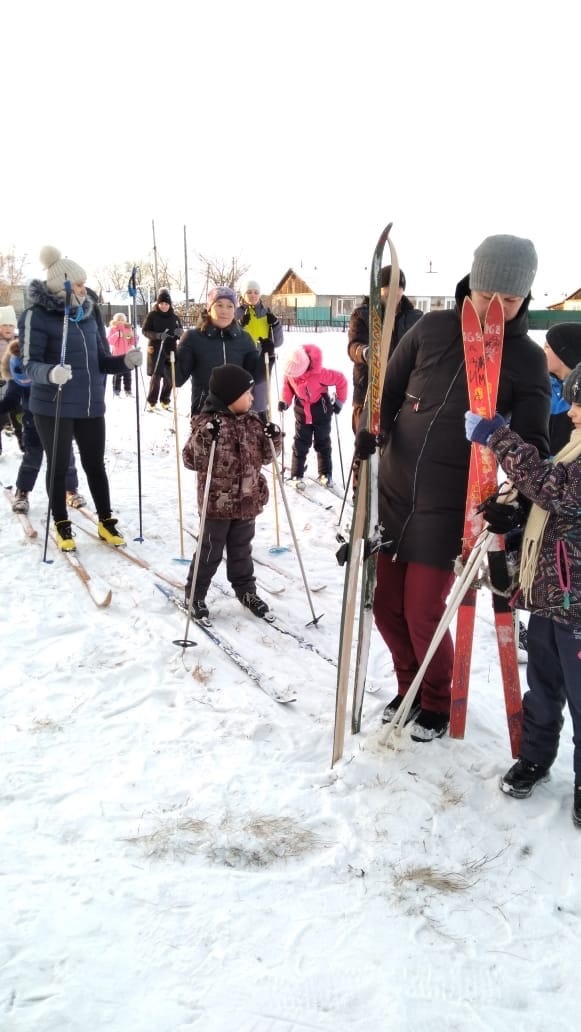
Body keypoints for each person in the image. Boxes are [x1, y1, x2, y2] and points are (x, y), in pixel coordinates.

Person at [355, 234, 551, 741]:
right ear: (471, 286)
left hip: (452, 506)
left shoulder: (526, 358)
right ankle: (410, 686)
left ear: (525, 299)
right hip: (396, 491)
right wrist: (368, 430)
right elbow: (389, 394)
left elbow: (532, 441)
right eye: (488, 297)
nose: (497, 309)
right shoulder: (431, 329)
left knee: (423, 613)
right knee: (386, 609)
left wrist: (514, 499)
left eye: (511, 301)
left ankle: (437, 700)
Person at [464, 364, 581, 827]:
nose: (571, 411)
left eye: (579, 402)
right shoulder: (575, 448)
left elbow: (558, 491)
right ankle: (536, 756)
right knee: (543, 688)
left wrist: (501, 438)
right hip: (555, 594)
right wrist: (517, 521)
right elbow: (556, 507)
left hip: (578, 604)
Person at [20, 245, 143, 550]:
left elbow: (101, 360)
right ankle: (61, 522)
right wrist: (50, 373)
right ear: (59, 284)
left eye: (83, 283)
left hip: (90, 405)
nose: (82, 288)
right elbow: (28, 363)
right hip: (54, 405)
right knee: (59, 465)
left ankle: (105, 520)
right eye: (76, 284)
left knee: (95, 465)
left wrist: (124, 361)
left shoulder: (89, 315)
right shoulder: (37, 315)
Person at [181, 363, 281, 619]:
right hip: (218, 504)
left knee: (242, 551)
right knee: (210, 551)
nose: (252, 397)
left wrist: (274, 437)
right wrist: (204, 437)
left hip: (248, 500)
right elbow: (191, 460)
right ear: (229, 396)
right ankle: (195, 594)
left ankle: (246, 590)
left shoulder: (254, 421)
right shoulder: (208, 423)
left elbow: (268, 457)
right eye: (246, 393)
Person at [0, 336, 86, 513]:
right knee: (32, 458)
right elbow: (10, 400)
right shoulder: (16, 382)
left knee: (66, 457)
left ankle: (71, 490)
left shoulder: (49, 373)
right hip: (33, 425)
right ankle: (22, 492)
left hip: (59, 421)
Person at [347, 266, 423, 435]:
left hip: (401, 394)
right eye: (388, 291)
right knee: (366, 446)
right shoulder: (362, 315)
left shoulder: (415, 317)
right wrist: (366, 352)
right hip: (368, 389)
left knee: (395, 449)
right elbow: (353, 347)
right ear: (378, 289)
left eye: (398, 290)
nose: (394, 295)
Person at [172, 286, 258, 416]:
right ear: (209, 308)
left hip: (238, 411)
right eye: (219, 305)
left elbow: (256, 376)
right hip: (205, 410)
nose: (225, 311)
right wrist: (167, 356)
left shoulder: (244, 339)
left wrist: (267, 357)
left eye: (230, 306)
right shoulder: (193, 338)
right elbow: (177, 379)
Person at [278, 343, 348, 488]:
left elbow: (341, 380)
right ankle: (296, 474)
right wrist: (285, 401)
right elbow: (287, 387)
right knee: (300, 443)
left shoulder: (320, 374)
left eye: (295, 375)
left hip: (320, 411)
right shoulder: (291, 373)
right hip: (302, 411)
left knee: (322, 442)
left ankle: (325, 473)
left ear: (304, 369)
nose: (292, 378)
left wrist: (340, 401)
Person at [235, 279, 283, 420]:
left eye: (256, 292)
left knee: (260, 399)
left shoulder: (266, 313)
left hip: (263, 360)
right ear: (243, 294)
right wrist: (239, 324)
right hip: (242, 361)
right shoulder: (237, 313)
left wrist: (275, 325)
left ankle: (261, 427)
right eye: (249, 292)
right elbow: (229, 336)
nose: (253, 295)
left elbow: (278, 342)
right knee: (242, 397)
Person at [141, 288, 182, 411]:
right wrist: (157, 335)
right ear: (158, 304)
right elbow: (145, 331)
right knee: (156, 376)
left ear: (169, 304)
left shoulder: (174, 317)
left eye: (166, 304)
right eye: (162, 303)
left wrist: (179, 333)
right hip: (156, 349)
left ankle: (165, 400)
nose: (164, 306)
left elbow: (180, 331)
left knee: (170, 376)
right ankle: (152, 401)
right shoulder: (152, 315)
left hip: (171, 349)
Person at [543, 323, 581, 454]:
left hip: (565, 468)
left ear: (563, 355)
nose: (542, 351)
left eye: (547, 347)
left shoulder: (577, 395)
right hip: (537, 466)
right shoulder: (541, 386)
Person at [0, 304, 24, 454]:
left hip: (16, 384)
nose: (8, 328)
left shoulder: (18, 341)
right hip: (1, 385)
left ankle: (24, 441)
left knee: (19, 416)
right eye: (4, 325)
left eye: (11, 325)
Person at [107, 312, 136, 397]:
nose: (120, 321)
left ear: (125, 320)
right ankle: (116, 390)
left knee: (128, 374)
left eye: (122, 319)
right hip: (117, 355)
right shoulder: (113, 329)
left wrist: (134, 338)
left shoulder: (128, 329)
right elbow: (109, 341)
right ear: (115, 320)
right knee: (117, 374)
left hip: (127, 355)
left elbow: (130, 342)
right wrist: (116, 335)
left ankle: (128, 390)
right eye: (118, 319)